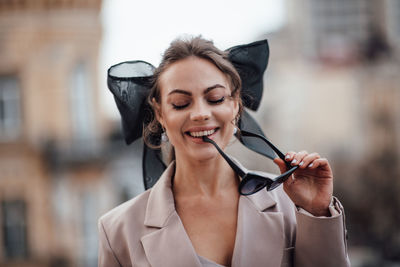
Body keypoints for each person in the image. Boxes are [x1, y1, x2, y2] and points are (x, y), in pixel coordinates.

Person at [98, 36, 350, 267]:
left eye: (216, 98)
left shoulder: (291, 206)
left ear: (235, 104)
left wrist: (317, 212)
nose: (200, 114)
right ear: (160, 114)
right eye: (181, 103)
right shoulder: (117, 231)